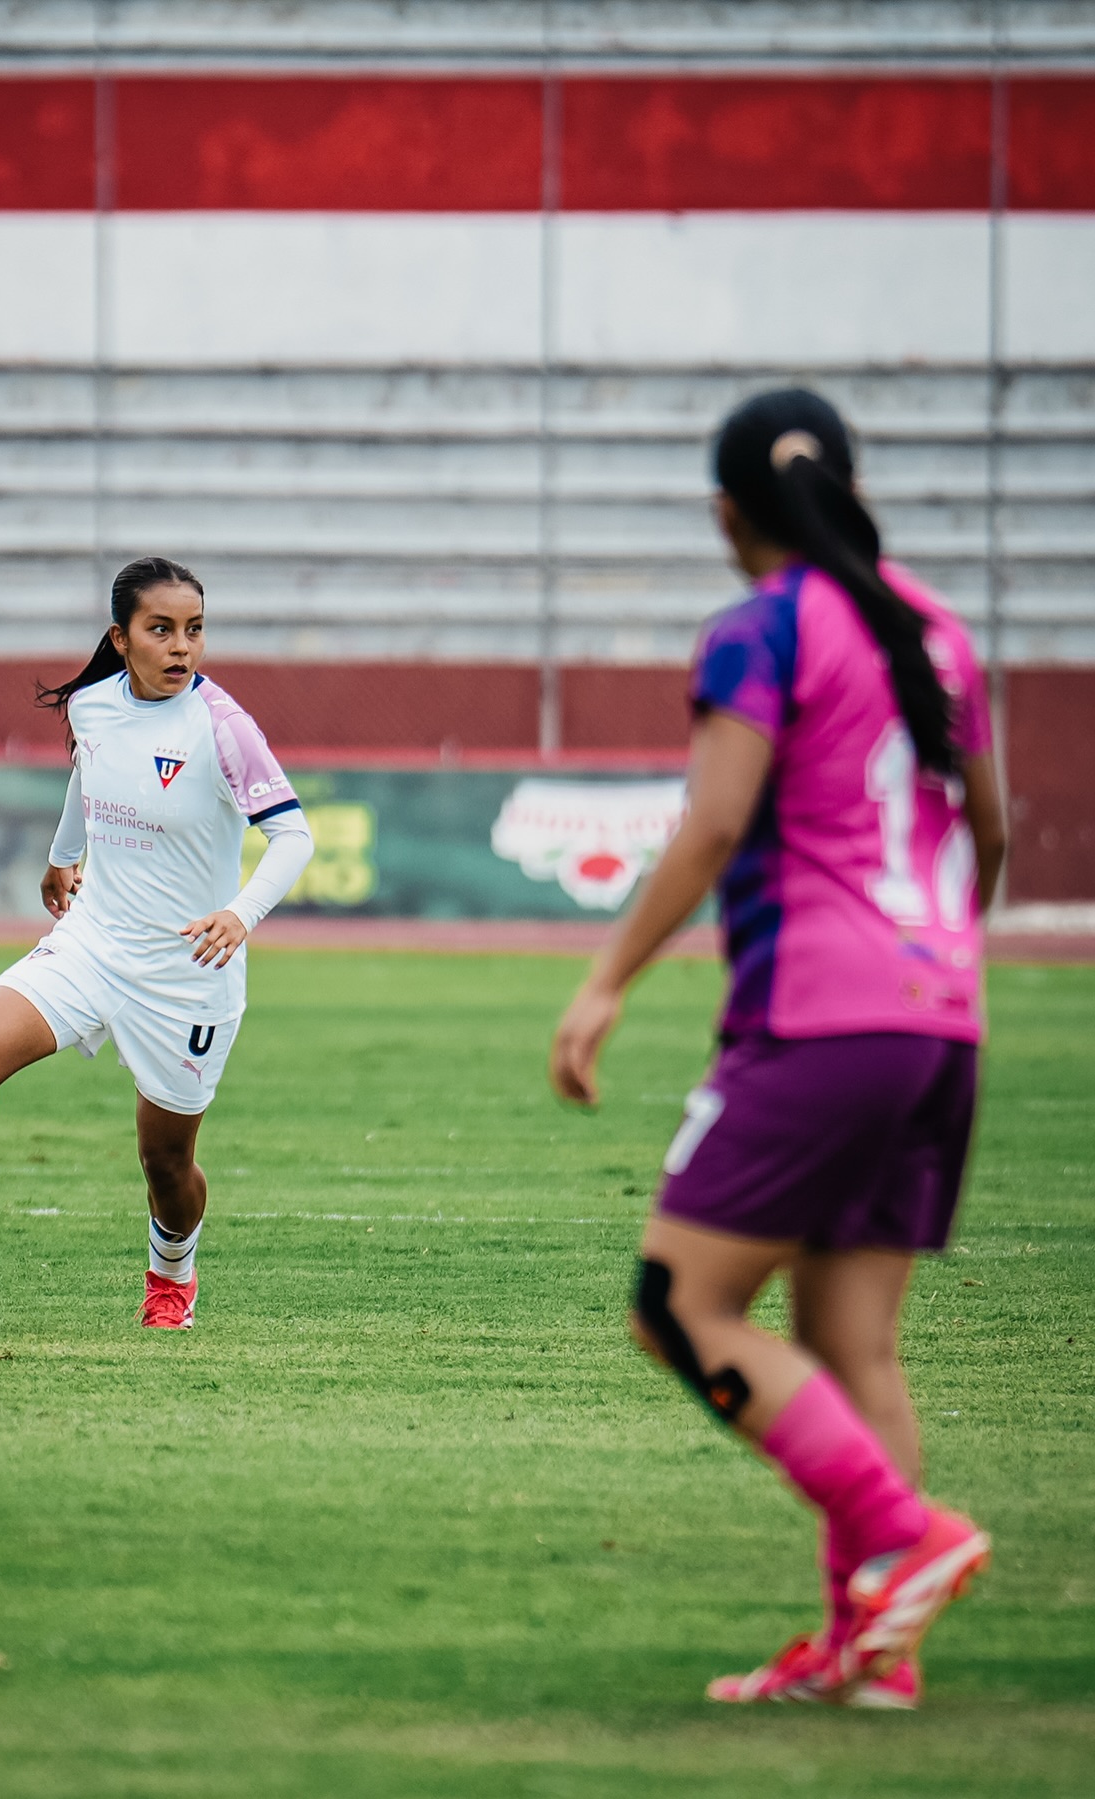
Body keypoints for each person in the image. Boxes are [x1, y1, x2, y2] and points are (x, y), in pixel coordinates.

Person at [549, 390, 1006, 1708]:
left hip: (822, 1017)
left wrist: (604, 981)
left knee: (676, 1301)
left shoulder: (764, 627)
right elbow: (988, 824)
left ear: (727, 510)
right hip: (941, 1022)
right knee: (853, 1342)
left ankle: (906, 1536)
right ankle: (876, 1651)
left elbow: (713, 819)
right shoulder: (937, 630)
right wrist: (938, 963)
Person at [0, 556, 313, 1329]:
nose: (181, 647)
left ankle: (173, 1275)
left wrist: (241, 913)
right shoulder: (94, 704)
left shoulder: (222, 726)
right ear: (120, 638)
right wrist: (65, 853)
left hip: (187, 973)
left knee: (165, 1163)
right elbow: (85, 772)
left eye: (194, 630)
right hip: (95, 941)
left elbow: (292, 836)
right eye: (160, 630)